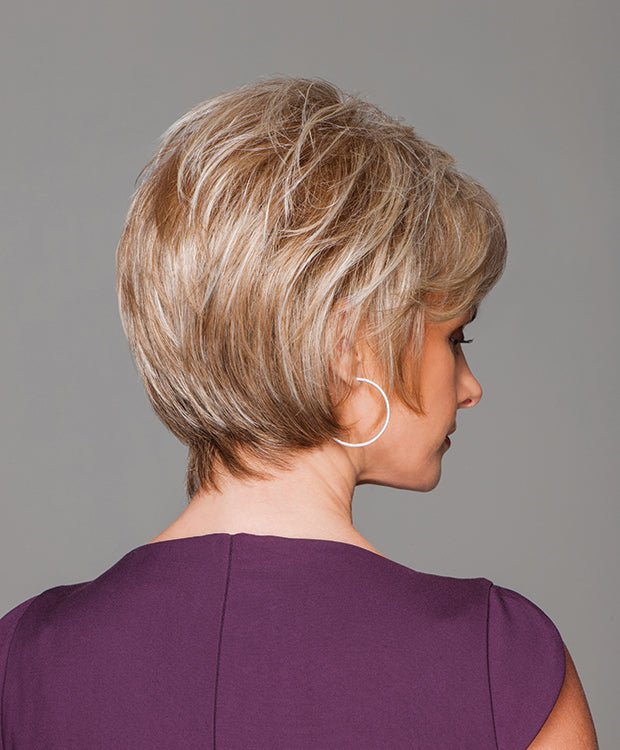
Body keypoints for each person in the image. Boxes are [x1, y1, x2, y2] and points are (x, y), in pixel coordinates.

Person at [0, 76, 597, 749]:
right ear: (349, 345)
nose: (470, 387)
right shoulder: (503, 665)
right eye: (456, 338)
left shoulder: (20, 660)